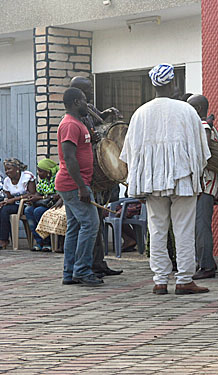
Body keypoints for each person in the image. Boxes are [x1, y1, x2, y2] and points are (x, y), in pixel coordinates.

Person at [120, 64, 211, 295]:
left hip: (152, 181)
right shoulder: (187, 111)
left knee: (157, 229)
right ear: (172, 83)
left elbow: (129, 152)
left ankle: (160, 280)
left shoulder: (140, 113)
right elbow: (202, 150)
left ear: (153, 85)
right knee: (183, 229)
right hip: (182, 179)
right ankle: (184, 280)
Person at [69, 76, 123, 277]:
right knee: (88, 225)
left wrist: (108, 113)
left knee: (97, 222)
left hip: (95, 172)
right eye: (87, 90)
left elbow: (100, 119)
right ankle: (85, 266)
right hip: (86, 176)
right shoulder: (74, 117)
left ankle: (98, 264)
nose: (91, 92)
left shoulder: (87, 107)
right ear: (77, 93)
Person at [187, 94, 218, 280]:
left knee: (201, 226)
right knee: (200, 225)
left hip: (204, 184)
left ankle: (206, 266)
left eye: (189, 107)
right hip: (206, 182)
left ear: (198, 109)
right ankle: (206, 261)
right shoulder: (206, 126)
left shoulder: (202, 127)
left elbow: (204, 151)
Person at [56, 87, 102, 286]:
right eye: (84, 100)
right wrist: (82, 187)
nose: (87, 104)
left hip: (73, 184)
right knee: (91, 224)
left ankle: (70, 273)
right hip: (74, 184)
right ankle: (82, 270)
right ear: (75, 102)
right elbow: (69, 158)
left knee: (75, 228)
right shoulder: (69, 125)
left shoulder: (78, 124)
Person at [25, 159, 62, 252]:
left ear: (48, 171)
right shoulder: (43, 181)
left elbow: (57, 196)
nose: (38, 173)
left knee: (38, 211)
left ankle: (47, 242)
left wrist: (40, 198)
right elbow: (38, 193)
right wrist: (33, 198)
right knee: (28, 210)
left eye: (41, 171)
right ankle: (39, 241)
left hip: (54, 205)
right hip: (43, 204)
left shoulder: (58, 179)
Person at [0, 158, 36, 249]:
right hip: (16, 205)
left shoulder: (27, 176)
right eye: (6, 170)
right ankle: (4, 239)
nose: (7, 172)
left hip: (27, 205)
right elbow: (9, 198)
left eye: (9, 169)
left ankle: (4, 240)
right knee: (3, 209)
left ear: (17, 169)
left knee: (5, 210)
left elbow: (32, 194)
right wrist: (5, 202)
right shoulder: (7, 181)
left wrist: (15, 199)